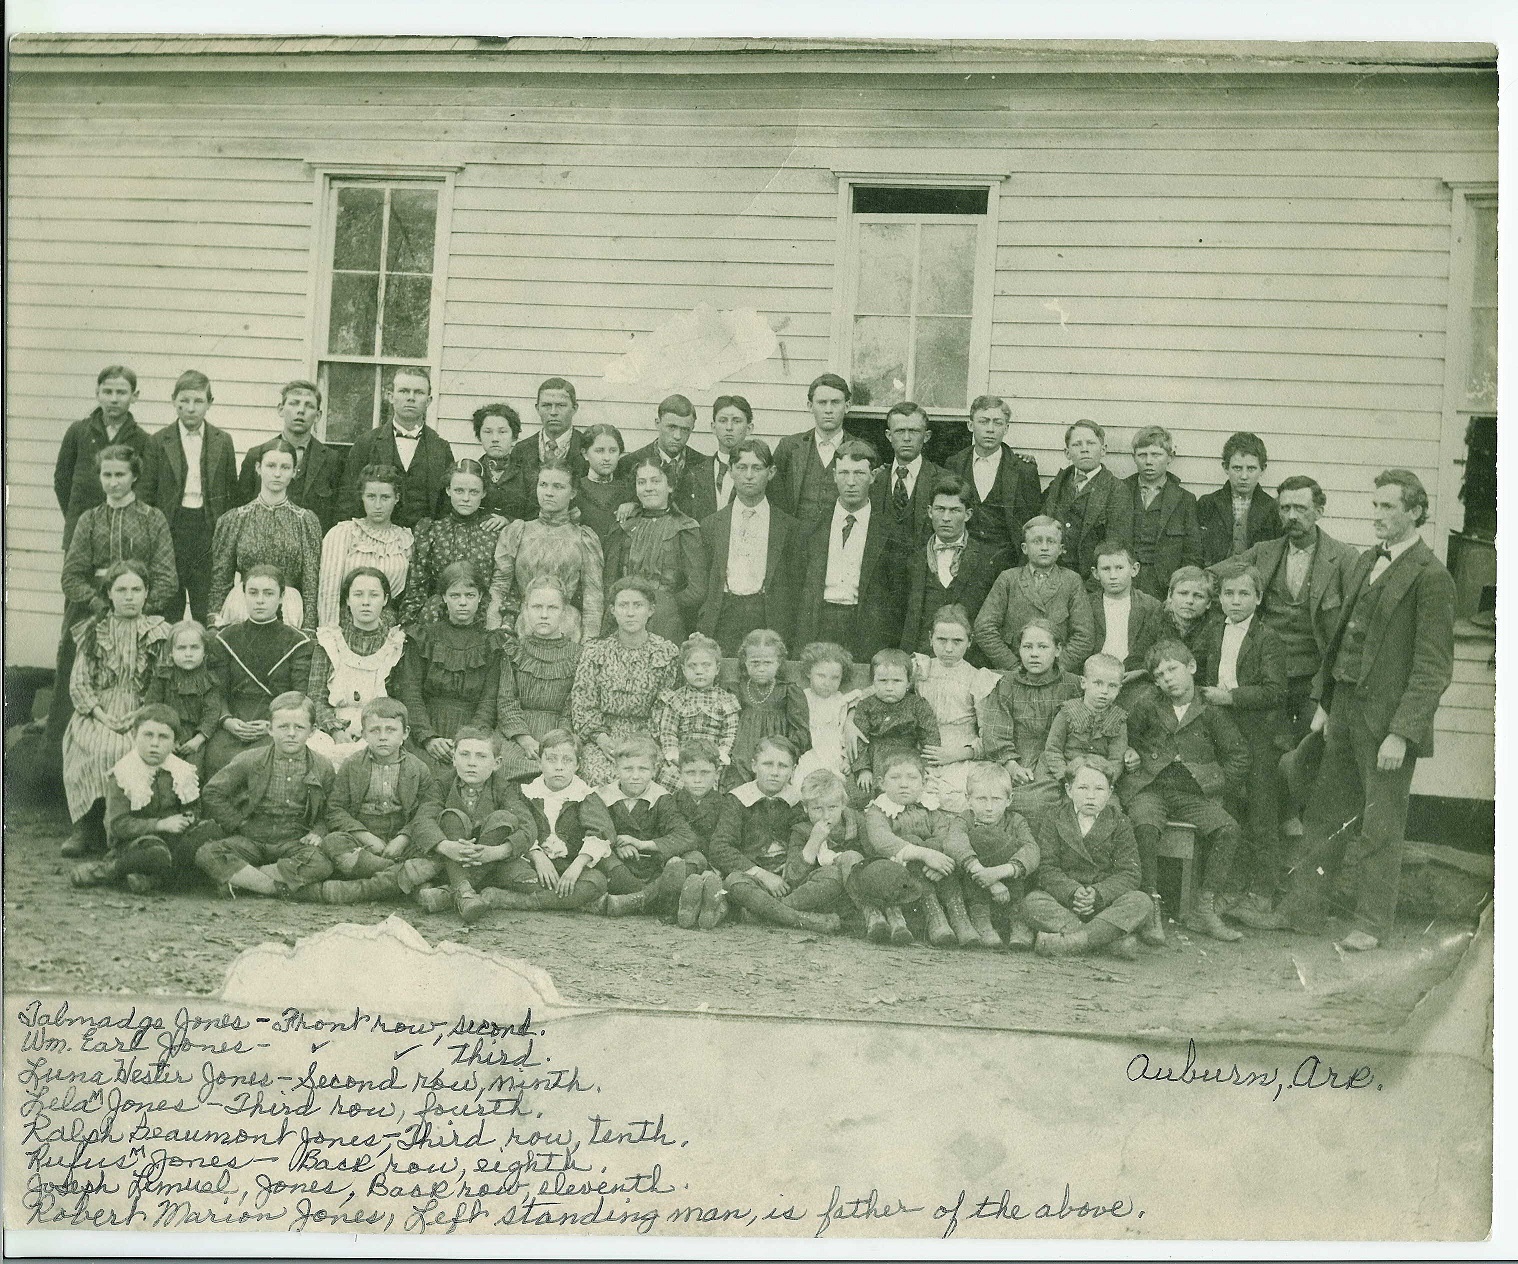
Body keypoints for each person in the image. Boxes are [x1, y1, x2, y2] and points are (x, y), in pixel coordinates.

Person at [1277, 470, 1455, 952]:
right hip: (1344, 710)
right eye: (1375, 506)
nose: (1377, 515)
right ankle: (1303, 911)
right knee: (1325, 814)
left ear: (1415, 512)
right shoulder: (1365, 561)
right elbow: (1339, 640)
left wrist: (1402, 733)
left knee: (1380, 825)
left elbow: (1433, 668)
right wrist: (1325, 704)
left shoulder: (1431, 577)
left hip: (1387, 724)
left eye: (1388, 507)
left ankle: (1372, 924)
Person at [1208, 474, 1360, 755]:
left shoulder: (1344, 558)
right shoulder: (1264, 552)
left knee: (1311, 750)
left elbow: (1357, 625)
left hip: (1315, 677)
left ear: (1319, 511)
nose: (1291, 516)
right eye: (1285, 508)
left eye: (1300, 508)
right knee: (1261, 751)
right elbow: (1213, 576)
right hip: (1266, 675)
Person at [51, 445, 179, 762]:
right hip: (95, 612)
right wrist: (100, 606)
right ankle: (61, 761)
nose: (113, 482)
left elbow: (166, 578)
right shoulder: (90, 519)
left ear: (134, 476)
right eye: (106, 475)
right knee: (75, 669)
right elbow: (71, 576)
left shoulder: (152, 518)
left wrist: (139, 609)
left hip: (141, 611)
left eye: (120, 474)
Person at [1120, 639, 1250, 945]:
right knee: (1145, 825)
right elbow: (1126, 737)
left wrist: (1214, 784)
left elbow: (1239, 755)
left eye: (1172, 669)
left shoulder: (1211, 709)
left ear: (1190, 667)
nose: (1167, 679)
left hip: (1192, 793)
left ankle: (1204, 909)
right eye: (1159, 675)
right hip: (1151, 786)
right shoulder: (1147, 704)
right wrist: (1129, 752)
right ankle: (1150, 908)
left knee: (1228, 829)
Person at [1195, 561, 1289, 930]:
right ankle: (1229, 888)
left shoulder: (1267, 638)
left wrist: (1231, 697)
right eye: (1229, 594)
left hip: (1257, 734)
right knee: (1229, 810)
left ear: (1258, 598)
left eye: (1244, 594)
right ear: (1218, 598)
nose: (1236, 601)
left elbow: (1275, 690)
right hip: (1221, 732)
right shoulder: (1214, 631)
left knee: (1261, 813)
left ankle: (1263, 892)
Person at [60, 560, 172, 857]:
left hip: (143, 707)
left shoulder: (160, 631)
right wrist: (100, 714)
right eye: (121, 590)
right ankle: (86, 827)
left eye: (136, 589)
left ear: (146, 593)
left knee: (129, 748)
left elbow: (163, 680)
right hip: (99, 708)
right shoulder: (93, 630)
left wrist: (141, 712)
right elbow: (79, 681)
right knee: (93, 747)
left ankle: (123, 831)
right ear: (109, 593)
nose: (129, 596)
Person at [294, 697, 440, 906]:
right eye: (374, 730)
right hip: (363, 839)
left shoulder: (418, 768)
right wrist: (366, 836)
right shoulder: (352, 765)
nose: (383, 737)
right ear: (363, 734)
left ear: (405, 733)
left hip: (402, 839)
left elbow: (426, 811)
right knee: (333, 842)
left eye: (391, 730)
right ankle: (405, 877)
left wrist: (403, 838)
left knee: (436, 852)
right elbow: (335, 809)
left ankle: (356, 890)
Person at [194, 691, 336, 899]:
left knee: (322, 863)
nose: (291, 733)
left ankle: (244, 880)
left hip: (295, 841)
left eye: (299, 727)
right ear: (270, 729)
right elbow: (213, 792)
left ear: (312, 731)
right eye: (283, 727)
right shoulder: (251, 759)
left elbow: (331, 809)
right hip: (252, 838)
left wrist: (318, 831)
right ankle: (275, 888)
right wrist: (237, 822)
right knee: (207, 854)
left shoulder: (322, 766)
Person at [70, 704, 212, 893]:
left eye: (163, 737)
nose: (155, 743)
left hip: (173, 840)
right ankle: (107, 870)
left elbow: (192, 807)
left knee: (208, 835)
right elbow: (118, 825)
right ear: (134, 735)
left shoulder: (181, 771)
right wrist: (160, 825)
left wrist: (189, 817)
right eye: (148, 735)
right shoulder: (124, 773)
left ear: (175, 742)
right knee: (157, 854)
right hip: (136, 843)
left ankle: (150, 881)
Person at [710, 736, 846, 934]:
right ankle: (803, 920)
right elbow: (720, 847)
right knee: (734, 882)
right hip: (754, 877)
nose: (774, 772)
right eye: (767, 764)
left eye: (783, 766)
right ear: (754, 766)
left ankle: (764, 913)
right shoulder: (738, 799)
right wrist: (761, 874)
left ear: (793, 770)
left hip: (792, 878)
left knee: (832, 876)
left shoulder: (799, 802)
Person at [1024, 756, 1152, 960]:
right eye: (1083, 788)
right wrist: (1072, 891)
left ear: (1110, 792)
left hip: (1104, 906)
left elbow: (1130, 873)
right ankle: (1108, 942)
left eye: (1099, 789)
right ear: (1069, 790)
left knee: (1141, 901)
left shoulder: (1120, 822)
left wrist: (1098, 894)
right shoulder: (1054, 817)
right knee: (1032, 902)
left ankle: (1073, 942)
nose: (1091, 796)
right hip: (1066, 903)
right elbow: (1047, 868)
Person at [139, 370, 239, 623]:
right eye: (184, 401)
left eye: (198, 401)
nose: (191, 408)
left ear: (209, 403)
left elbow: (231, 494)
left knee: (206, 606)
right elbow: (146, 494)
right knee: (168, 605)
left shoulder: (223, 441)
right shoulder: (158, 441)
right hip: (170, 531)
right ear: (174, 401)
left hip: (208, 533)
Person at [410, 727, 538, 923]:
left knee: (505, 820)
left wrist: (497, 852)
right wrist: (445, 846)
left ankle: (452, 893)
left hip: (489, 861)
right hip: (451, 859)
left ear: (496, 763)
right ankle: (466, 894)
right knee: (451, 817)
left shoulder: (503, 788)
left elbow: (528, 826)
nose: (471, 763)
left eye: (481, 756)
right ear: (454, 759)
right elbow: (422, 820)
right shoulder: (442, 784)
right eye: (464, 755)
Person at [793, 439, 899, 661]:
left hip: (865, 629)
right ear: (834, 476)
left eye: (859, 474)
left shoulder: (889, 532)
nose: (851, 482)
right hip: (819, 624)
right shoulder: (811, 527)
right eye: (844, 473)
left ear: (873, 476)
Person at [570, 576, 682, 786]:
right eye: (623, 605)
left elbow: (667, 707)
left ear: (651, 610)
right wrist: (602, 739)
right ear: (612, 610)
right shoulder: (595, 652)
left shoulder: (666, 653)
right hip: (604, 737)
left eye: (638, 605)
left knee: (651, 777)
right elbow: (583, 704)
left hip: (648, 737)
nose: (630, 613)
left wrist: (645, 740)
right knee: (601, 776)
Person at [394, 561, 504, 775]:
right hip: (424, 730)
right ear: (444, 597)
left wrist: (467, 742)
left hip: (472, 735)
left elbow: (489, 701)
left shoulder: (490, 643)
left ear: (480, 597)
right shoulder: (424, 637)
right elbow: (411, 692)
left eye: (470, 595)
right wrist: (428, 738)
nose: (462, 602)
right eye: (455, 595)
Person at [203, 566, 314, 777]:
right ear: (244, 594)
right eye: (253, 593)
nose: (260, 600)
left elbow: (299, 695)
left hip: (276, 724)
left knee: (264, 762)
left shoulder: (298, 642)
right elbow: (217, 689)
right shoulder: (226, 638)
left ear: (281, 597)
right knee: (216, 757)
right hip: (234, 722)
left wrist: (273, 725)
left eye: (268, 593)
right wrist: (227, 720)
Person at [491, 729, 616, 915]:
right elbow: (519, 826)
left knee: (596, 882)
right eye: (551, 759)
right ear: (539, 762)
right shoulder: (525, 792)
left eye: (567, 760)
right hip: (532, 865)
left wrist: (576, 866)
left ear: (577, 765)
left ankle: (522, 901)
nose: (559, 767)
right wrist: (536, 855)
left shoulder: (584, 795)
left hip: (569, 866)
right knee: (507, 872)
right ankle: (569, 901)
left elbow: (601, 831)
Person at [696, 438, 800, 654]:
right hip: (724, 614)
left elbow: (795, 583)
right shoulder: (711, 524)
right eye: (742, 467)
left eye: (757, 468)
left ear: (771, 472)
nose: (749, 475)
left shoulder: (788, 527)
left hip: (767, 615)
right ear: (730, 471)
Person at [209, 440, 323, 630]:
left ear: (294, 472)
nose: (277, 473)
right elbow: (220, 579)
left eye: (285, 467)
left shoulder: (305, 521)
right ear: (258, 468)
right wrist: (214, 623)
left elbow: (311, 582)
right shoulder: (235, 519)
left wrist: (309, 629)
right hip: (243, 603)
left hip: (288, 607)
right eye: (271, 466)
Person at [487, 461, 605, 641]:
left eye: (558, 486)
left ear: (572, 493)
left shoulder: (583, 538)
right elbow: (499, 586)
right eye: (543, 485)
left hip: (567, 631)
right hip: (523, 628)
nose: (549, 492)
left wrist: (589, 642)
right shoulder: (518, 531)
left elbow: (593, 596)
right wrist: (493, 631)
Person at [979, 619, 1084, 821]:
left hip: (1059, 760)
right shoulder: (1006, 684)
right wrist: (1011, 765)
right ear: (1019, 650)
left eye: (1043, 647)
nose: (1034, 654)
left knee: (1047, 802)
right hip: (1017, 761)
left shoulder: (1073, 685)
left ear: (1058, 650)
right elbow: (995, 732)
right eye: (1027, 647)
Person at [861, 751, 966, 946]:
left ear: (923, 783)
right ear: (881, 783)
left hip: (935, 871)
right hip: (898, 874)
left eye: (912, 778)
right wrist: (925, 855)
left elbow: (945, 835)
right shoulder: (878, 811)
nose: (904, 784)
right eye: (895, 778)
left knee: (941, 848)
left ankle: (958, 915)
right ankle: (934, 915)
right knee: (912, 840)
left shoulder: (930, 808)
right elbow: (882, 840)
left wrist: (937, 859)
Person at [305, 567, 406, 768]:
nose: (366, 602)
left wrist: (373, 731)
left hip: (380, 732)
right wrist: (336, 730)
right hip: (331, 732)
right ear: (348, 600)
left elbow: (399, 700)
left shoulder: (396, 645)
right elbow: (315, 696)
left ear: (385, 600)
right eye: (358, 594)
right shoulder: (329, 641)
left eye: (374, 595)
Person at [602, 458, 707, 643]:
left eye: (656, 481)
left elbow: (697, 590)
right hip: (625, 618)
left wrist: (664, 604)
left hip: (666, 621)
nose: (648, 488)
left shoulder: (685, 527)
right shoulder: (624, 526)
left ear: (670, 486)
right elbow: (610, 581)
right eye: (641, 482)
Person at [973, 516, 1095, 674]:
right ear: (1024, 548)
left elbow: (1084, 636)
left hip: (1057, 675)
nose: (1044, 547)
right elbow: (984, 628)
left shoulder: (1072, 581)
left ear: (1061, 549)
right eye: (1037, 541)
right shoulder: (1008, 579)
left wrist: (1056, 668)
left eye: (1051, 541)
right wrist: (1012, 666)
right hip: (1014, 673)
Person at [910, 605, 1001, 813]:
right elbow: (879, 691)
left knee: (956, 798)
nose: (948, 649)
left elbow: (990, 734)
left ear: (969, 642)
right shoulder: (920, 668)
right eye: (941, 640)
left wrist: (956, 754)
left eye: (957, 641)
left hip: (960, 754)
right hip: (920, 749)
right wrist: (851, 717)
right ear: (930, 638)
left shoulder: (977, 678)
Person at [592, 733, 700, 909]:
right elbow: (594, 830)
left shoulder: (661, 797)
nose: (635, 776)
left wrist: (642, 844)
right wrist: (616, 844)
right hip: (620, 868)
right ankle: (655, 900)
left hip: (653, 868)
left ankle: (638, 900)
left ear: (654, 770)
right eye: (628, 769)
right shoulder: (602, 796)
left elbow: (686, 836)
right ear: (616, 769)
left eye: (643, 769)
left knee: (696, 858)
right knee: (602, 856)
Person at [339, 366, 454, 529]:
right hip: (375, 537)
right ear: (391, 397)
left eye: (419, 392)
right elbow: (348, 499)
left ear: (428, 401)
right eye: (404, 391)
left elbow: (447, 503)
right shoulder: (366, 443)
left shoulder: (441, 448)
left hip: (425, 539)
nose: (411, 398)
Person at [899, 477, 1002, 659]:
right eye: (940, 509)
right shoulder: (912, 558)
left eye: (955, 510)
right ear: (930, 512)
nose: (946, 518)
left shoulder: (988, 559)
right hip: (921, 659)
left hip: (970, 661)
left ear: (968, 514)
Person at [54, 365, 152, 551]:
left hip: (122, 537)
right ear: (97, 393)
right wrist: (78, 518)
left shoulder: (143, 440)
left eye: (121, 393)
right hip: (81, 535)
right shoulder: (78, 432)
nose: (114, 399)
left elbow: (144, 491)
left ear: (134, 396)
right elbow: (62, 481)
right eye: (107, 392)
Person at [945, 761, 1041, 950]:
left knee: (1015, 848)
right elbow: (953, 842)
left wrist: (1000, 872)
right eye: (981, 799)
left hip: (1010, 891)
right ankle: (980, 918)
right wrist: (985, 875)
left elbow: (1032, 849)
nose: (989, 807)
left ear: (1009, 800)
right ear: (968, 799)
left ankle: (1017, 919)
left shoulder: (1016, 821)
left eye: (996, 799)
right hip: (977, 890)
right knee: (979, 838)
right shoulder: (965, 819)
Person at [401, 459, 507, 629]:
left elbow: (503, 585)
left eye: (474, 492)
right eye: (459, 490)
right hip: (438, 617)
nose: (466, 498)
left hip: (482, 619)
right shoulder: (431, 530)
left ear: (484, 493)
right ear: (448, 490)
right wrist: (409, 628)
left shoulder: (494, 532)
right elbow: (417, 586)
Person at [942, 395, 1043, 571]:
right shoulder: (954, 464)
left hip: (1007, 565)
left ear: (1006, 428)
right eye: (983, 421)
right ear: (970, 425)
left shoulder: (1023, 470)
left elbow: (1032, 523)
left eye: (997, 423)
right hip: (961, 561)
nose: (990, 429)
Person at [316, 464, 412, 628]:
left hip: (388, 626)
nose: (378, 505)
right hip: (346, 623)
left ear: (396, 498)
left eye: (385, 497)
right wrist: (330, 633)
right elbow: (329, 591)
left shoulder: (404, 540)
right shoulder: (344, 533)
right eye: (371, 496)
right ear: (362, 497)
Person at [238, 380, 341, 533]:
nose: (301, 410)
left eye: (309, 406)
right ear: (281, 409)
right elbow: (241, 507)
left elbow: (337, 515)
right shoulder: (257, 455)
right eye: (294, 403)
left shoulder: (332, 460)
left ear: (318, 415)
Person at [1040, 420, 1132, 585]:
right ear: (1067, 452)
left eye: (1091, 443)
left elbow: (1115, 546)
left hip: (1089, 581)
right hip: (1052, 575)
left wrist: (1092, 586)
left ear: (1103, 450)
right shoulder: (1058, 484)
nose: (1084, 449)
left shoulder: (1116, 490)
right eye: (1077, 444)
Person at [1121, 425, 1203, 599]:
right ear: (1133, 457)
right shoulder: (1120, 491)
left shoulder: (1185, 499)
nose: (1148, 461)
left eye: (1156, 455)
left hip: (1164, 586)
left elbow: (1192, 554)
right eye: (1142, 455)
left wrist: (1179, 589)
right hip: (1124, 582)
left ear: (1170, 457)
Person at [502, 576, 582, 753]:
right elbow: (506, 701)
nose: (544, 615)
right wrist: (524, 739)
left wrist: (559, 741)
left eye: (552, 608)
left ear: (564, 611)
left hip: (559, 737)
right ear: (525, 609)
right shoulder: (514, 650)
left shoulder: (578, 655)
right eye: (537, 607)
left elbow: (571, 708)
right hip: (517, 737)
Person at [652, 633, 741, 788]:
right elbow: (668, 733)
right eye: (692, 666)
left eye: (706, 665)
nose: (699, 671)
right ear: (683, 669)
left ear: (717, 668)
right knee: (671, 779)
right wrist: (675, 757)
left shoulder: (726, 700)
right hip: (682, 761)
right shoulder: (676, 699)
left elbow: (730, 734)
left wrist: (719, 757)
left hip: (713, 761)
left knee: (716, 783)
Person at [851, 649, 940, 797]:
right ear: (873, 682)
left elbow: (930, 735)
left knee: (911, 788)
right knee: (874, 791)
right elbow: (860, 740)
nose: (889, 688)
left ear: (908, 682)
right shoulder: (866, 706)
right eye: (883, 681)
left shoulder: (917, 704)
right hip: (876, 756)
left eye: (897, 681)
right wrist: (863, 769)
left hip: (908, 755)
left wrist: (929, 764)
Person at [771, 373, 856, 526]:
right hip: (796, 535)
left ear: (847, 406)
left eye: (835, 402)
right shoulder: (789, 447)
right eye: (822, 402)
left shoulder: (860, 450)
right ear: (810, 406)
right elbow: (773, 495)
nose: (828, 410)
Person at [1088, 539, 1166, 702]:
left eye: (1119, 568)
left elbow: (1157, 649)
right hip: (1093, 676)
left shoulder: (1150, 606)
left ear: (1134, 569)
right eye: (1106, 569)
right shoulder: (1087, 604)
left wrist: (1142, 671)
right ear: (1095, 573)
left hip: (1132, 678)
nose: (1113, 576)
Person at [143, 619, 224, 774]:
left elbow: (211, 713)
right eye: (181, 648)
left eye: (194, 647)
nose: (188, 654)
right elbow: (152, 708)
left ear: (204, 651)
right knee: (159, 770)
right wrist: (167, 737)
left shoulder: (209, 680)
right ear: (171, 652)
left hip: (197, 737)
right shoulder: (163, 677)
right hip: (164, 733)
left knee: (194, 770)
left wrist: (198, 740)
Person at [725, 628, 800, 791]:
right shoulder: (738, 689)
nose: (761, 668)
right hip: (742, 755)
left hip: (775, 755)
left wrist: (787, 753)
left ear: (778, 662)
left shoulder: (788, 691)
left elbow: (800, 730)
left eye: (767, 663)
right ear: (745, 662)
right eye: (755, 663)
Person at [1196, 432, 1283, 568]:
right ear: (1225, 467)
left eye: (1251, 469)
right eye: (1237, 468)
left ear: (1262, 469)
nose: (1244, 476)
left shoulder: (1273, 507)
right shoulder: (1208, 503)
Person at [789, 640, 867, 786]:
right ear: (808, 673)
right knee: (802, 783)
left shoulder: (842, 701)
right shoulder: (801, 697)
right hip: (808, 753)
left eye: (835, 678)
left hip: (833, 756)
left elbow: (846, 732)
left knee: (832, 786)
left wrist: (846, 759)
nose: (827, 683)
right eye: (821, 675)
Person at [1044, 653, 1130, 782]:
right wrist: (1064, 777)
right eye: (1098, 683)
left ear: (1119, 688)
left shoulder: (1118, 719)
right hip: (1064, 774)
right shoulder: (1067, 712)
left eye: (1112, 685)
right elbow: (1053, 749)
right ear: (1084, 683)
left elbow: (1116, 759)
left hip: (1099, 779)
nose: (1105, 691)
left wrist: (1105, 781)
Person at [875, 401, 948, 550]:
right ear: (889, 435)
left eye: (914, 431)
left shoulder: (943, 480)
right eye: (900, 431)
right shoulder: (875, 480)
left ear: (926, 436)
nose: (907, 438)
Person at [616, 393, 701, 516]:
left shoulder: (703, 465)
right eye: (672, 427)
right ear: (657, 423)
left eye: (685, 429)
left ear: (692, 428)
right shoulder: (629, 463)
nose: (677, 436)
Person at [511, 377, 589, 488]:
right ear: (537, 408)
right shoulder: (521, 450)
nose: (553, 412)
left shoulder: (587, 447)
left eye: (561, 405)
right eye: (546, 405)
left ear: (574, 408)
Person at [688, 395, 755, 522]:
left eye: (736, 421)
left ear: (749, 428)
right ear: (713, 427)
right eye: (723, 421)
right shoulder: (695, 472)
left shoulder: (759, 473)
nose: (729, 427)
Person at [576, 423, 636, 550]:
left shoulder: (628, 490)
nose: (607, 458)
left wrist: (633, 505)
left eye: (613, 451)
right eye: (599, 451)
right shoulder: (576, 489)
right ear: (585, 454)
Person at [473, 402, 535, 523]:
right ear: (479, 436)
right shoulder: (472, 472)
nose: (495, 439)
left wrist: (509, 521)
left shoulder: (528, 473)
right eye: (488, 432)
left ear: (514, 436)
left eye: (502, 432)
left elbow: (534, 516)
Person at [1159, 566, 1218, 662]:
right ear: (1170, 595)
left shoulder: (1215, 629)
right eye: (1183, 593)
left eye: (1198, 596)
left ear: (1208, 603)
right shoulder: (1156, 620)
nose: (1190, 601)